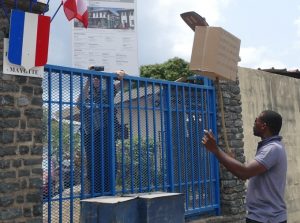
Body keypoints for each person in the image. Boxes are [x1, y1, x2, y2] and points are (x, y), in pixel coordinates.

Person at [202, 110, 287, 223]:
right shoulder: (270, 147)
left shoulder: (272, 148)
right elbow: (246, 170)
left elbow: (244, 173)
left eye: (256, 120)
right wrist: (229, 159)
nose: (254, 122)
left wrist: (215, 150)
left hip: (267, 218)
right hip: (263, 216)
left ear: (263, 126)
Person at [77, 67, 127, 195]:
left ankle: (109, 190)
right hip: (90, 135)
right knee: (93, 163)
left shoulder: (107, 93)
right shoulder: (87, 97)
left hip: (105, 132)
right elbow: (79, 103)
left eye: (99, 78)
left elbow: (124, 83)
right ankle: (95, 191)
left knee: (109, 160)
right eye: (94, 78)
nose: (96, 80)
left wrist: (120, 73)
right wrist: (88, 78)